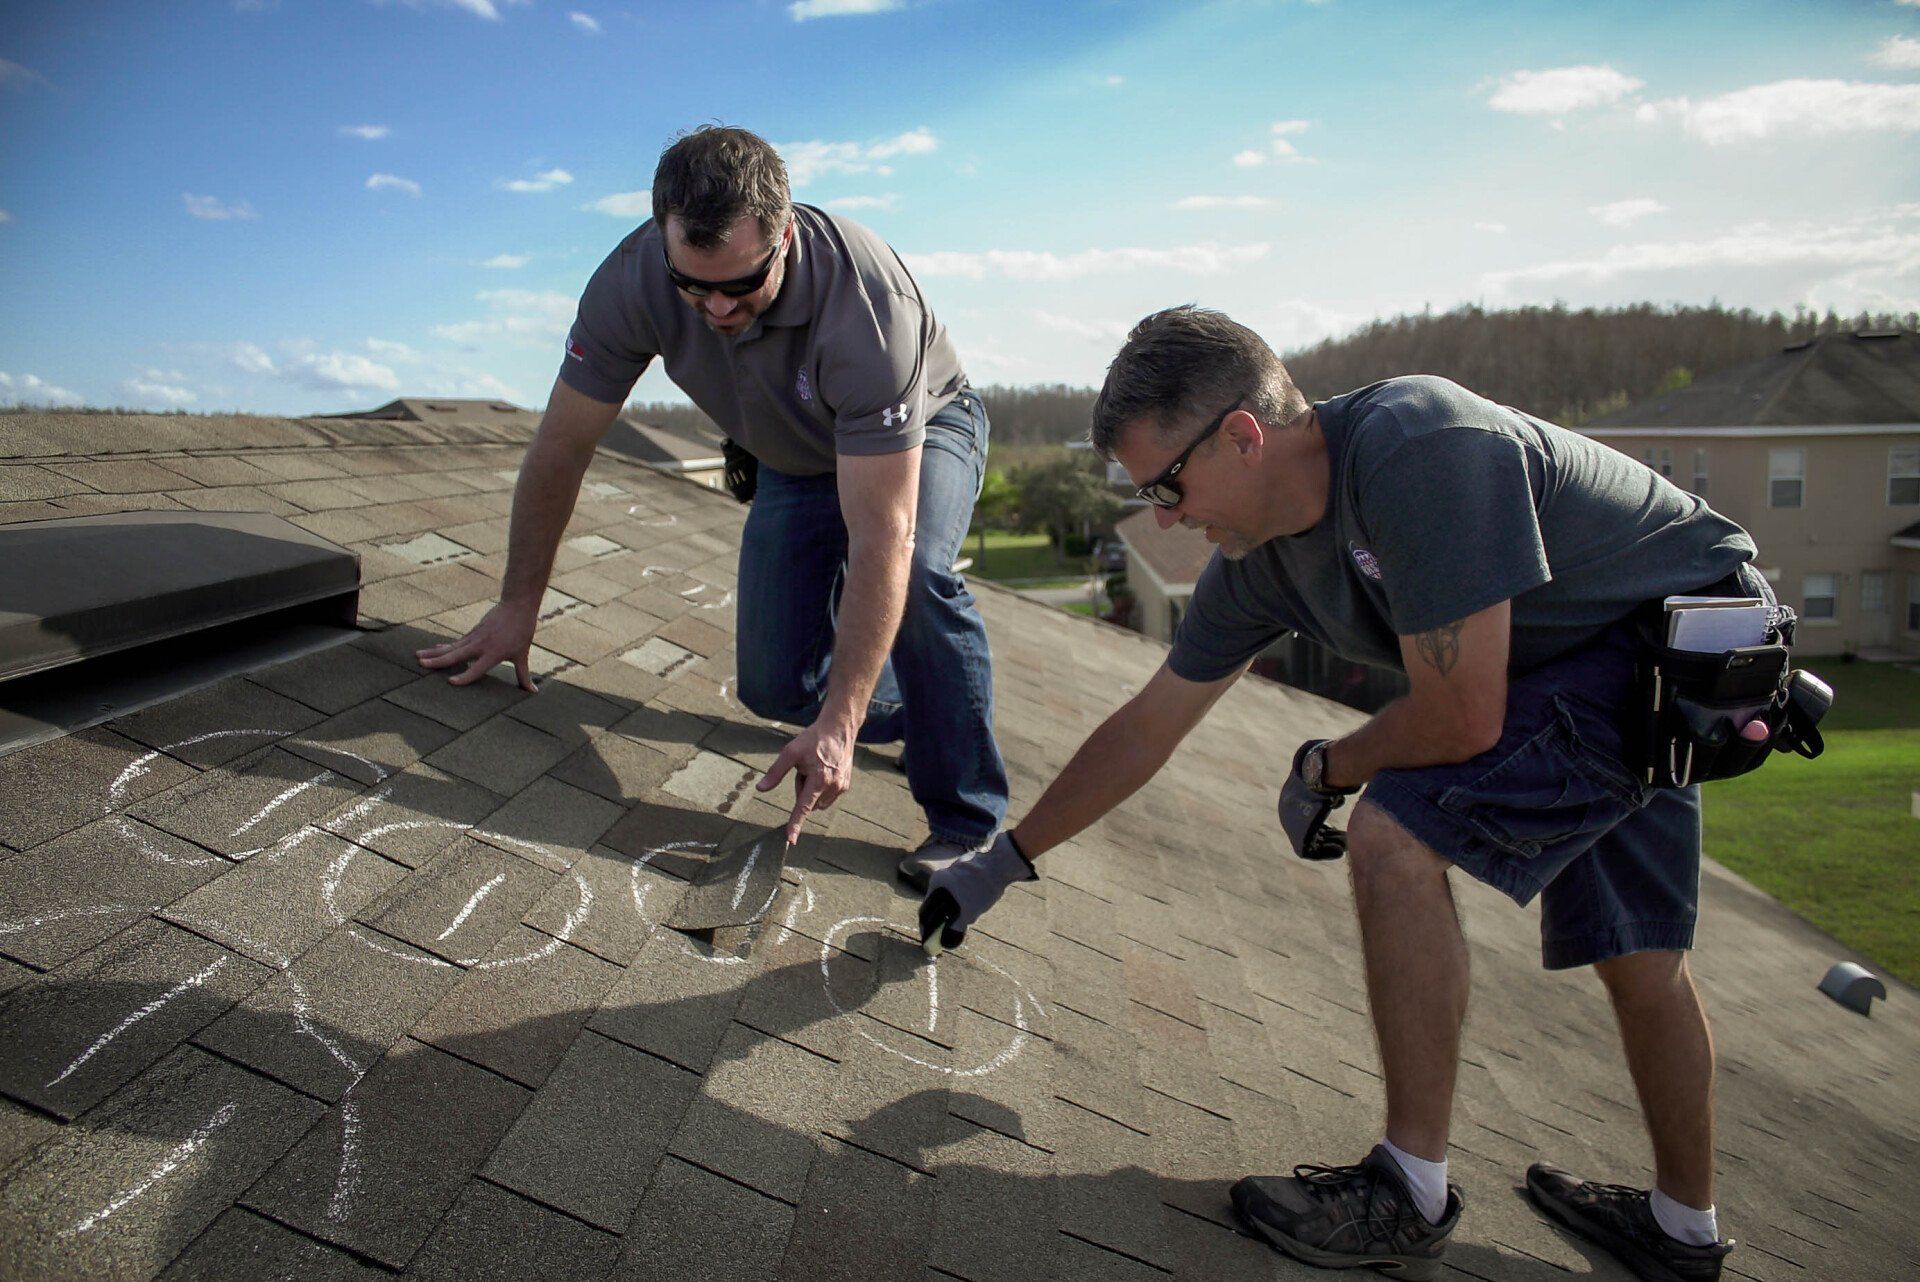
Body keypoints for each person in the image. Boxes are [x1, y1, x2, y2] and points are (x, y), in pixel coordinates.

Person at [921, 306, 1765, 1282]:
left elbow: (1462, 719)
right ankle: (1682, 1230)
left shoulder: (1420, 447)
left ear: (1243, 435)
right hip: (1608, 654)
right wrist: (1000, 861)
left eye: (1166, 484)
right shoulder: (1257, 562)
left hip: (1675, 642)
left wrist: (1329, 765)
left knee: (1393, 833)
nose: (1161, 517)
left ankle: (1409, 1191)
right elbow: (1147, 726)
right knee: (1636, 950)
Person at [419, 126, 1008, 871]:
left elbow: (881, 536)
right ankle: (929, 707)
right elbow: (561, 448)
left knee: (918, 569)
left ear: (785, 235)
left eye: (740, 284)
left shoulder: (867, 310)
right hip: (794, 459)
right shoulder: (629, 281)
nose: (718, 309)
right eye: (693, 285)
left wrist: (840, 723)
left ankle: (965, 818)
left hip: (923, 427)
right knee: (773, 688)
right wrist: (516, 605)